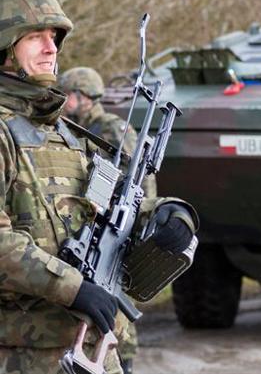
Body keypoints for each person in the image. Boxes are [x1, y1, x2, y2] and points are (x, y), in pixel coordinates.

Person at [0, 0, 198, 374]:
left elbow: (105, 211)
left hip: (93, 349)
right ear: (5, 47)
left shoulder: (66, 134)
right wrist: (73, 288)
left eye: (54, 38)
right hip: (20, 355)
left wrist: (166, 214)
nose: (51, 48)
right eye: (36, 37)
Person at [58, 67, 157, 374]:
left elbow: (138, 182)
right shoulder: (74, 128)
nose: (65, 100)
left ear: (84, 96)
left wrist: (134, 222)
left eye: (70, 94)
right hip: (92, 222)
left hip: (114, 225)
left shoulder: (111, 128)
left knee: (113, 300)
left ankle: (120, 357)